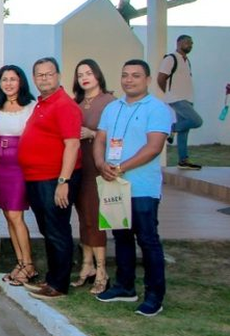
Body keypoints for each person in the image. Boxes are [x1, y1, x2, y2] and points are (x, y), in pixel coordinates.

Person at [94, 60, 173, 317]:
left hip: (142, 188)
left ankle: (154, 296)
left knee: (148, 241)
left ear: (148, 79)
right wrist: (100, 163)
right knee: (121, 238)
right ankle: (125, 287)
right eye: (125, 75)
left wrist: (122, 166)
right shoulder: (112, 108)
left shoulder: (157, 109)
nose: (129, 80)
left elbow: (153, 147)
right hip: (113, 184)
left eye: (136, 76)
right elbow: (101, 139)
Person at [18, 57, 82, 300]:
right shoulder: (42, 103)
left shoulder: (65, 105)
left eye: (49, 74)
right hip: (36, 177)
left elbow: (72, 145)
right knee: (48, 228)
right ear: (34, 78)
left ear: (58, 76)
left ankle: (58, 285)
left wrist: (63, 182)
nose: (44, 78)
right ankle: (54, 276)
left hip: (54, 179)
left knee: (56, 229)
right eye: (39, 75)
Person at [0, 65, 38, 287]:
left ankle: (28, 265)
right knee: (8, 216)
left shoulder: (31, 107)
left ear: (21, 82)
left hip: (19, 166)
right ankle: (19, 262)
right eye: (4, 79)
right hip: (1, 165)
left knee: (17, 215)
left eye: (13, 79)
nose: (8, 83)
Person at [72, 59, 114, 295]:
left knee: (96, 218)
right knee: (84, 217)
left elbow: (118, 135)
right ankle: (86, 265)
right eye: (80, 74)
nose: (84, 77)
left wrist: (92, 133)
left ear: (98, 75)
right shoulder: (77, 103)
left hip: (98, 167)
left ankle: (102, 270)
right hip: (79, 166)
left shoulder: (109, 102)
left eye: (89, 73)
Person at [157, 34, 203, 170]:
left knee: (184, 130)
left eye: (192, 43)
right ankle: (171, 128)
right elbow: (161, 78)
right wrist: (169, 94)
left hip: (187, 98)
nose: (190, 45)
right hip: (177, 98)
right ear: (179, 43)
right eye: (187, 42)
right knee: (197, 121)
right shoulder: (171, 58)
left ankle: (183, 160)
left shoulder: (186, 60)